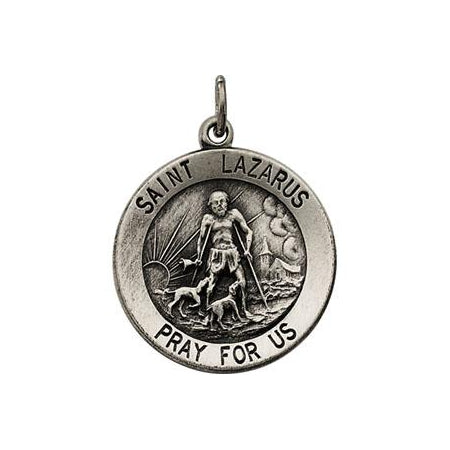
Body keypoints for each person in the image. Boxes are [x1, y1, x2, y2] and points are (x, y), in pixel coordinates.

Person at [194, 191, 252, 316]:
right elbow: (201, 239)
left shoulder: (234, 214)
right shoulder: (208, 219)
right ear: (211, 206)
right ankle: (206, 311)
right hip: (216, 254)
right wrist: (199, 257)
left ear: (227, 203)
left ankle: (244, 309)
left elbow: (248, 232)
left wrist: (247, 249)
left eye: (222, 201)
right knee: (211, 285)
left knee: (242, 282)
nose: (219, 205)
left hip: (232, 253)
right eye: (215, 203)